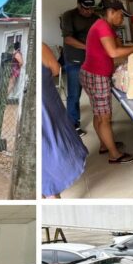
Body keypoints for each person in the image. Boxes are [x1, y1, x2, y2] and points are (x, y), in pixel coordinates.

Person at [80, 0, 133, 164]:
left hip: (92, 74)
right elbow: (114, 52)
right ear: (111, 12)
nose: (123, 19)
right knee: (104, 117)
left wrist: (131, 50)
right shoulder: (103, 26)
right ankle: (114, 154)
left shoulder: (106, 27)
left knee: (99, 115)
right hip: (96, 76)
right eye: (121, 15)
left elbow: (118, 47)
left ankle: (104, 145)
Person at [42, 43, 88, 198]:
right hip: (46, 105)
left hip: (31, 109)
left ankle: (47, 190)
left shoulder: (16, 56)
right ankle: (52, 190)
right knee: (54, 139)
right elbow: (56, 70)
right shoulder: (39, 47)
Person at [61, 0, 99, 137]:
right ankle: (73, 124)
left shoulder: (96, 18)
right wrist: (88, 47)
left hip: (93, 60)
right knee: (74, 94)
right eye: (85, 8)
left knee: (97, 92)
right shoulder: (68, 16)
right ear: (78, 5)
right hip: (75, 60)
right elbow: (68, 39)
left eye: (91, 8)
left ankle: (101, 118)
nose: (89, 11)